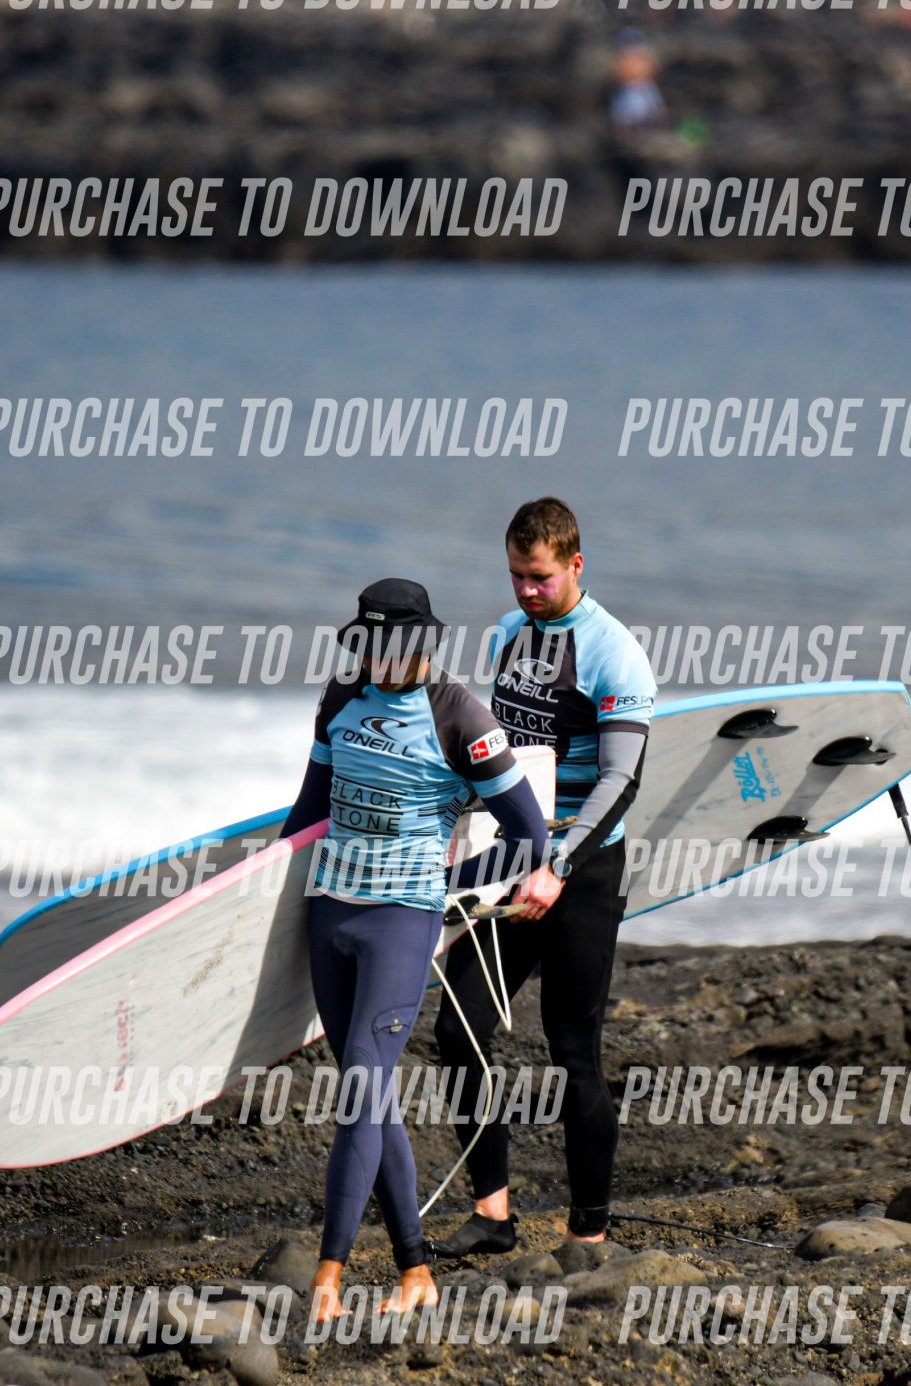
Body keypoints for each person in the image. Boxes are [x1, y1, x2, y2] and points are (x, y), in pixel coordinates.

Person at [279, 578, 550, 1322]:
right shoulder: (341, 696)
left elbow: (530, 837)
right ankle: (416, 1271)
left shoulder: (460, 717)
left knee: (360, 1092)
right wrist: (254, 899)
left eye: (390, 648)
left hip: (400, 923)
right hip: (329, 914)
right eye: (366, 647)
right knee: (372, 1097)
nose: (376, 661)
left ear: (423, 645)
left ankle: (329, 1276)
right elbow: (309, 807)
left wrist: (446, 884)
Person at [432, 498, 658, 1257]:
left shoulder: (615, 653)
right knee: (458, 1026)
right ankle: (493, 1215)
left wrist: (558, 868)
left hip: (582, 869)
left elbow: (622, 781)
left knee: (572, 1052)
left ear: (575, 564)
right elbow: (495, 755)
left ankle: (587, 1234)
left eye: (540, 576)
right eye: (516, 576)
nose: (527, 590)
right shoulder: (507, 633)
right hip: (512, 854)